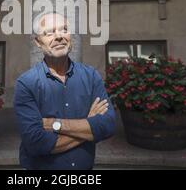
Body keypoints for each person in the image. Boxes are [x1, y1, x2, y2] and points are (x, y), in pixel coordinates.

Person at [13, 12, 116, 170]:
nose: (59, 36)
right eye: (49, 32)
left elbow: (108, 125)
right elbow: (36, 143)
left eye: (64, 29)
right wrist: (89, 124)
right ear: (37, 42)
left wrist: (54, 124)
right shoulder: (26, 83)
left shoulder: (91, 76)